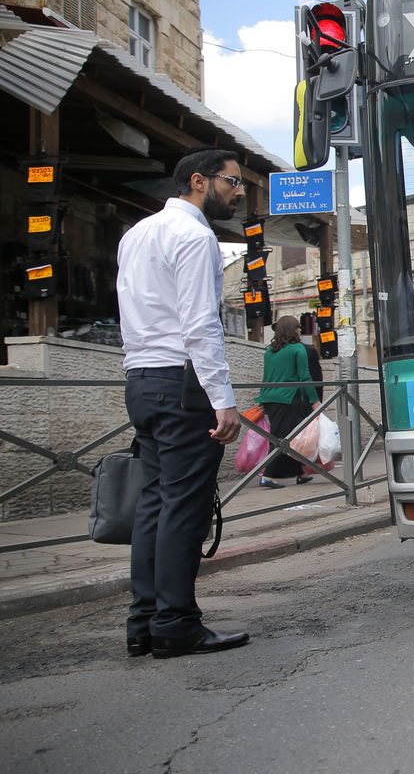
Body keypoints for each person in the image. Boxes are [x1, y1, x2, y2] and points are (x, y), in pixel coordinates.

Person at [116, 147, 248, 659]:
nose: (238, 192)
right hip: (181, 380)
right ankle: (176, 623)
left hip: (141, 379)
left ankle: (144, 621)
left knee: (154, 501)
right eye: (232, 182)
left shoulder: (136, 234)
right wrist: (223, 399)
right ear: (198, 181)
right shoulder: (195, 237)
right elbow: (200, 324)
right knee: (184, 508)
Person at [254, 315, 319, 488]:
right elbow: (305, 377)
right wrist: (315, 401)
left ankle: (300, 473)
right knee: (281, 438)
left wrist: (263, 398)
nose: (300, 330)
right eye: (298, 327)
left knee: (292, 436)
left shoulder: (270, 351)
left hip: (270, 399)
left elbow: (266, 376)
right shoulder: (298, 349)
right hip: (289, 399)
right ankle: (267, 476)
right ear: (292, 330)